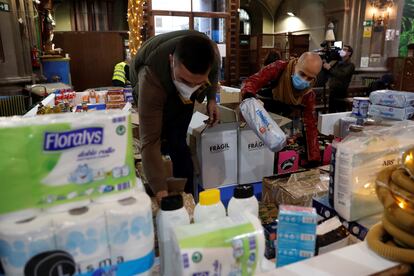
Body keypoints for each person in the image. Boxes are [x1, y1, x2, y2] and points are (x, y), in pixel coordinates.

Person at [130, 30, 220, 202]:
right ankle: (160, 184)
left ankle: (188, 197)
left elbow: (214, 72)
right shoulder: (150, 78)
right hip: (152, 81)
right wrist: (162, 197)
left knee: (178, 140)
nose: (190, 87)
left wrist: (211, 99)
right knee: (157, 138)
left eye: (198, 83)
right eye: (185, 81)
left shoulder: (211, 55)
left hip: (174, 83)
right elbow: (150, 142)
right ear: (172, 61)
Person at [241, 52, 322, 164]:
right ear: (296, 64)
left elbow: (310, 125)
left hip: (285, 127)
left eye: (309, 78)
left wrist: (314, 158)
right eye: (302, 74)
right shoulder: (278, 68)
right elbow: (251, 82)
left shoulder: (308, 94)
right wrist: (250, 98)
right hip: (263, 118)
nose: (304, 80)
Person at [324, 45, 355, 113]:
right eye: (342, 49)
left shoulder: (350, 65)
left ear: (349, 53)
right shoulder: (337, 62)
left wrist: (329, 68)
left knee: (340, 111)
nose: (342, 51)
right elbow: (331, 73)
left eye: (345, 49)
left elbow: (341, 75)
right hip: (333, 90)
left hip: (341, 92)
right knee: (331, 111)